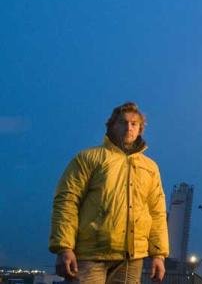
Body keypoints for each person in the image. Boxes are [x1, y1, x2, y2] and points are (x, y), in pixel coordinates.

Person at [49, 102, 169, 283]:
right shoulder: (89, 158)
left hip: (131, 259)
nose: (129, 127)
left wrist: (158, 255)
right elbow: (67, 201)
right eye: (123, 122)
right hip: (90, 256)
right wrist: (64, 248)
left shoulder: (150, 168)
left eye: (134, 123)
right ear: (112, 126)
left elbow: (157, 212)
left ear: (140, 129)